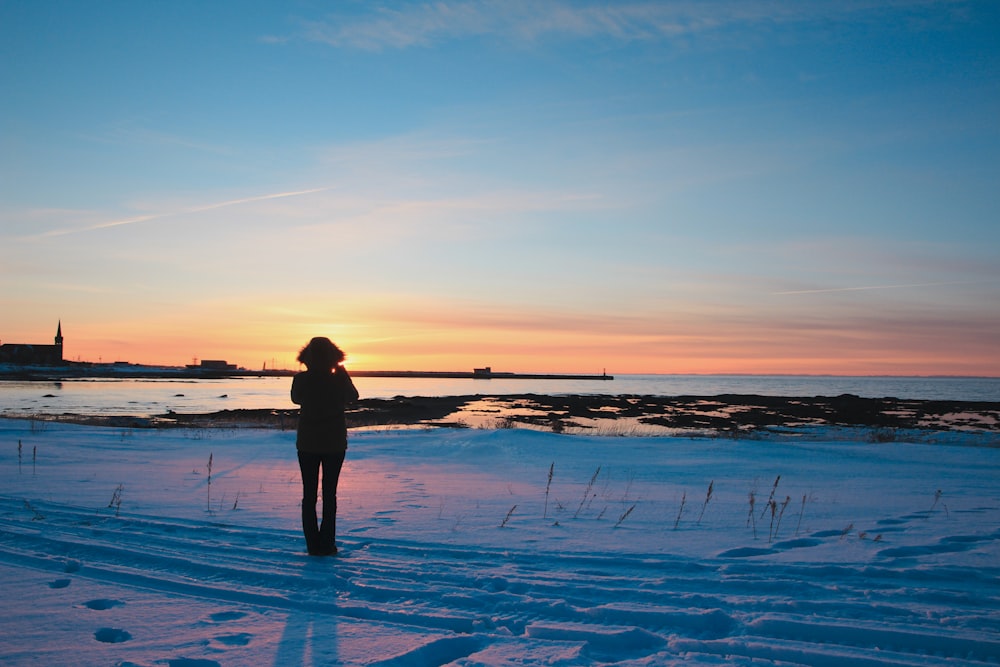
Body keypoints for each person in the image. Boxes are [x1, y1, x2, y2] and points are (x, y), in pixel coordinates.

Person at [291, 337, 359, 556]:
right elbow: (353, 397)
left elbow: (295, 399)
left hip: (308, 444)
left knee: (309, 496)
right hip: (333, 444)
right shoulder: (337, 379)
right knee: (329, 495)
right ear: (333, 356)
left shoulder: (301, 379)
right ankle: (327, 544)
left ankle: (313, 545)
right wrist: (341, 371)